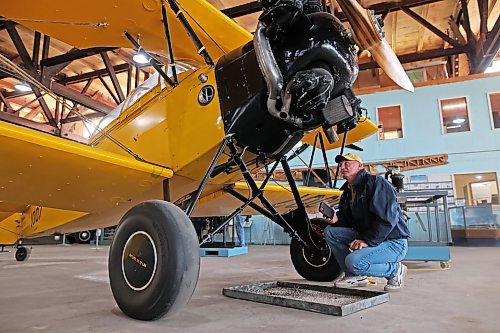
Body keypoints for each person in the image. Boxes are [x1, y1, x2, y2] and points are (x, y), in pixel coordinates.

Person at [324, 153, 410, 291]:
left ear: (360, 166)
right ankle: (354, 276)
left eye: (347, 163)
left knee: (353, 262)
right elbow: (350, 220)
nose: (343, 167)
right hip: (371, 236)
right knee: (331, 232)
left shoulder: (376, 183)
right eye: (340, 164)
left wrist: (367, 241)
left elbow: (387, 220)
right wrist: (336, 219)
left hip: (393, 242)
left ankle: (394, 270)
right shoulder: (348, 191)